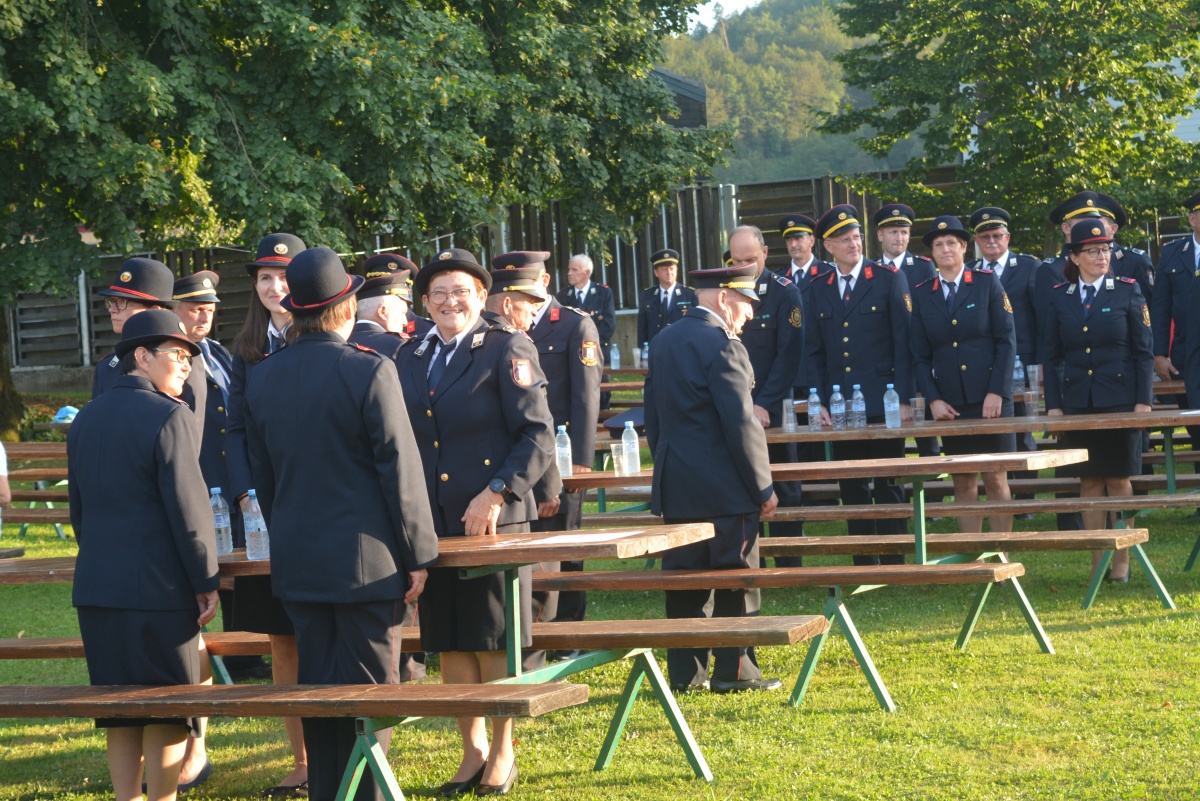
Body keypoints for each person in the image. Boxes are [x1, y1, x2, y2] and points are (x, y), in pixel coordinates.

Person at [244, 247, 438, 801]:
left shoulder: (263, 378)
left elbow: (265, 479)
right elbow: (400, 470)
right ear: (344, 307)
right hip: (368, 563)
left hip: (300, 556)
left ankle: (328, 793)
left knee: (319, 697)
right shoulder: (369, 368)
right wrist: (419, 554)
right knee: (367, 699)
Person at [396, 248, 555, 798]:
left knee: (494, 639)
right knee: (452, 641)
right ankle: (473, 751)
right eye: (438, 293)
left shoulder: (508, 346)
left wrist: (496, 492)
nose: (449, 301)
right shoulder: (409, 354)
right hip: (435, 522)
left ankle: (504, 752)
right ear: (423, 302)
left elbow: (538, 434)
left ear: (482, 297)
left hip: (494, 520)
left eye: (461, 291)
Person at [67, 310, 220, 801]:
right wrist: (205, 579)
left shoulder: (85, 417)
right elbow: (189, 512)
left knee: (119, 708)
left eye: (189, 356)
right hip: (159, 589)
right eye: (176, 355)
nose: (185, 364)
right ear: (140, 357)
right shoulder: (170, 415)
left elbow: (79, 514)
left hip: (97, 586)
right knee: (168, 707)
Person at [644, 259, 780, 694]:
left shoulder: (664, 340)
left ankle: (686, 675)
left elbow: (653, 418)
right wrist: (763, 486)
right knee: (736, 577)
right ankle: (736, 671)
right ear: (724, 298)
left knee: (683, 582)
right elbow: (742, 425)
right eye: (746, 303)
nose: (751, 314)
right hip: (726, 489)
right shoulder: (724, 345)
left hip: (678, 484)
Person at [224, 232, 310, 797]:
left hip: (316, 502)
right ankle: (301, 757)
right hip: (266, 509)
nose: (274, 287)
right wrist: (246, 495)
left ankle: (339, 742)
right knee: (282, 637)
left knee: (321, 630)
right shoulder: (246, 349)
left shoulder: (321, 336)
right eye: (264, 278)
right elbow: (235, 429)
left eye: (283, 277)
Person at [1043, 219, 1154, 583]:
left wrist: (1143, 401)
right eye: (1092, 251)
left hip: (1120, 399)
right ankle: (1097, 560)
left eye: (1105, 249)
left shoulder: (1127, 290)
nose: (1101, 256)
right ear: (1074, 257)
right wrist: (1054, 404)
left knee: (1119, 479)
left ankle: (1121, 561)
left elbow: (1143, 352)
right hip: (1078, 402)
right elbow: (1053, 356)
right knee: (1089, 482)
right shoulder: (1059, 296)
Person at [805, 204, 912, 563]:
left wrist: (907, 397)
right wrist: (817, 399)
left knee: (889, 480)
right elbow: (814, 351)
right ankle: (864, 560)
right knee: (852, 483)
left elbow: (904, 342)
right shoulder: (819, 286)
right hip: (841, 405)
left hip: (884, 400)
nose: (853, 244)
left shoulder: (885, 278)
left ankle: (895, 559)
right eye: (844, 240)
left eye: (856, 237)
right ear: (828, 247)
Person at [505, 252, 601, 629]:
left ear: (545, 283)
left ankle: (569, 626)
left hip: (563, 451)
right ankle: (534, 622)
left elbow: (586, 395)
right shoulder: (508, 327)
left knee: (566, 539)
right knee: (534, 538)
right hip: (524, 452)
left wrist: (581, 456)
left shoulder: (575, 325)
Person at [910, 216, 1017, 534]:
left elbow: (1006, 341)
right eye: (938, 244)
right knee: (963, 479)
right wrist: (934, 399)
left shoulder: (986, 283)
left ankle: (1002, 552)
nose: (945, 249)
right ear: (931, 253)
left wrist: (997, 391)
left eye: (952, 243)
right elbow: (919, 355)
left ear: (964, 248)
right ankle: (973, 556)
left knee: (996, 476)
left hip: (990, 399)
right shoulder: (923, 292)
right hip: (951, 404)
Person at [727, 225, 806, 566]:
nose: (744, 265)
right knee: (743, 485)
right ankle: (749, 562)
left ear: (764, 254)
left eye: (750, 259)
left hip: (773, 410)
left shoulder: (785, 293)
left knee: (785, 486)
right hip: (735, 408)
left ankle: (789, 562)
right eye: (736, 260)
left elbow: (790, 357)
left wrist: (764, 404)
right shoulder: (725, 292)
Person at [967, 206, 1041, 502]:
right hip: (985, 366)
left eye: (997, 235)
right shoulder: (970, 272)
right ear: (976, 240)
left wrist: (1041, 362)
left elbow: (1040, 317)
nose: (992, 242)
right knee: (991, 434)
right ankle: (998, 492)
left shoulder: (1028, 267)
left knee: (1022, 431)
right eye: (985, 237)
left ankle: (1024, 499)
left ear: (1008, 237)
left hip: (1023, 361)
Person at [92, 258, 206, 445]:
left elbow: (191, 436)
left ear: (153, 310)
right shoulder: (107, 366)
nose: (112, 309)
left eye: (122, 302)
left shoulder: (181, 363)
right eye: (111, 301)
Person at [875, 203, 941, 458]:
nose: (899, 237)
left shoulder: (923, 266)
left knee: (926, 433)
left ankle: (934, 481)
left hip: (920, 354)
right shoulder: (872, 270)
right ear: (880, 235)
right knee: (891, 432)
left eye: (903, 232)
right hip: (888, 357)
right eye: (892, 232)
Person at [557, 253, 616, 407]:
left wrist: (588, 346)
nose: (569, 273)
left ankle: (604, 422)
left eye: (575, 270)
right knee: (576, 394)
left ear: (587, 273)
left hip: (599, 351)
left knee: (602, 393)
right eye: (569, 270)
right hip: (571, 354)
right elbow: (560, 327)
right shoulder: (563, 296)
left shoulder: (603, 293)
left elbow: (608, 325)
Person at [349, 254, 419, 360]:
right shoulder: (400, 347)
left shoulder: (341, 341)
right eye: (402, 313)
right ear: (382, 311)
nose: (405, 321)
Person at [1095, 193, 1155, 303]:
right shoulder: (1078, 259)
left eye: (1097, 224)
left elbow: (1148, 305)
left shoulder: (1136, 261)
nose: (1092, 229)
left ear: (1113, 229)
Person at [636, 248, 696, 349]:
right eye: (664, 269)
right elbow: (642, 329)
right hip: (656, 349)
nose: (669, 273)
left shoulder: (689, 294)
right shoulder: (647, 295)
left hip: (682, 349)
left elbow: (696, 327)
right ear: (656, 273)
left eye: (672, 269)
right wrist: (643, 354)